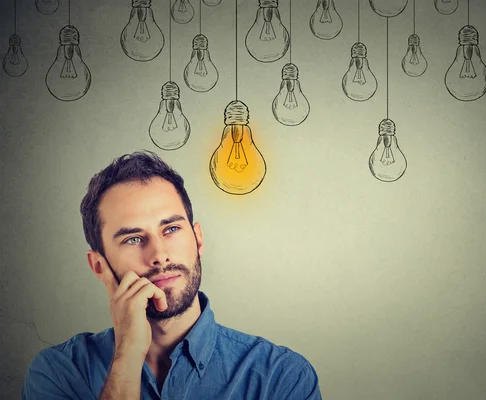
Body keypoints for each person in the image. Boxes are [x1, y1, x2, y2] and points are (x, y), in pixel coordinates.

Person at [22, 150, 322, 399]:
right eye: (133, 239)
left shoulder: (280, 377)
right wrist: (127, 355)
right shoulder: (58, 372)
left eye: (172, 229)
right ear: (99, 265)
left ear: (198, 240)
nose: (159, 255)